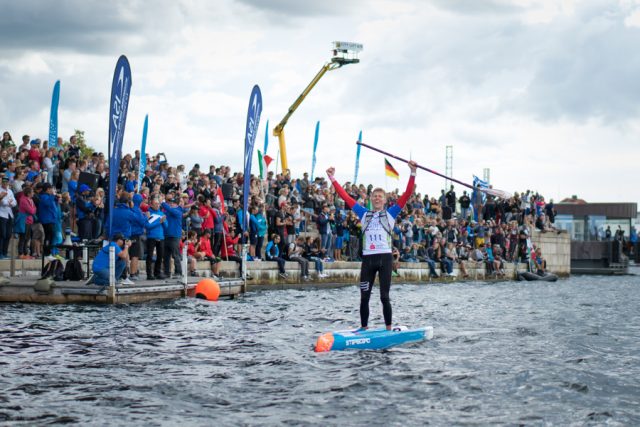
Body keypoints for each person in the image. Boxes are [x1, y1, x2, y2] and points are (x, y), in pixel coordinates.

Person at [327, 159, 417, 330]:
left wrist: (412, 172)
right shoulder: (363, 213)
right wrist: (332, 178)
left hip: (385, 259)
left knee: (384, 297)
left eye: (380, 196)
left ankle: (389, 328)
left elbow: (407, 194)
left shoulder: (391, 213)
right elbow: (345, 197)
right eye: (374, 196)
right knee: (364, 297)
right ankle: (363, 328)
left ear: (384, 200)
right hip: (368, 261)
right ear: (370, 199)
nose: (377, 198)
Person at [0, 176, 17, 258]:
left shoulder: (10, 191)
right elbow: (2, 202)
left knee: (8, 234)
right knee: (2, 234)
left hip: (10, 214)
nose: (5, 183)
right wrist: (9, 202)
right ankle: (0, 253)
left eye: (6, 182)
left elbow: (15, 202)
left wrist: (10, 202)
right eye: (3, 182)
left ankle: (5, 252)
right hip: (2, 214)